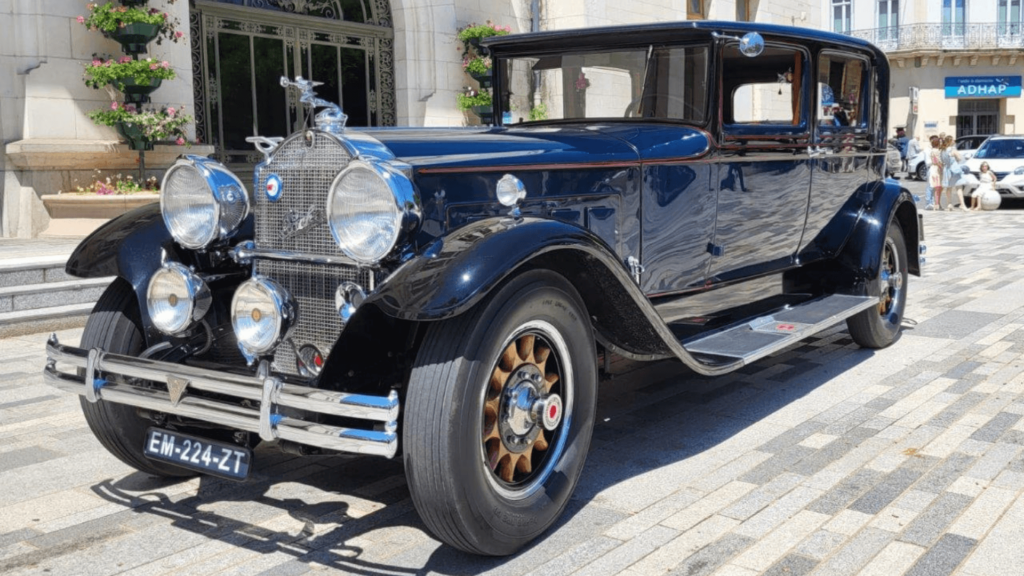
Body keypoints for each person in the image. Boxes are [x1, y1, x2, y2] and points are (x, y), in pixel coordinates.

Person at [941, 135, 966, 211]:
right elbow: (960, 158)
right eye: (953, 140)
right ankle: (962, 204)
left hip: (946, 170)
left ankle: (949, 204)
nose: (954, 141)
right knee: (959, 187)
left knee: (948, 187)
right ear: (950, 141)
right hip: (954, 169)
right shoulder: (953, 150)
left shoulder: (943, 150)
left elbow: (942, 161)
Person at [928, 135, 943, 210]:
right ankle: (937, 204)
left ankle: (937, 203)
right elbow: (937, 161)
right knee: (938, 187)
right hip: (937, 169)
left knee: (937, 187)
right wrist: (942, 167)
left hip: (933, 168)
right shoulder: (936, 151)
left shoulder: (933, 150)